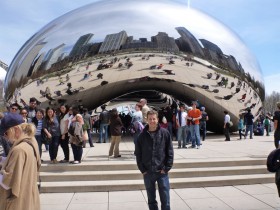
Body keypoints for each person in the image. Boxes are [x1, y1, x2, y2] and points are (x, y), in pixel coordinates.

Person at [0, 113, 41, 210]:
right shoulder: (31, 141)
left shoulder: (19, 149)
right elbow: (22, 165)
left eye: (6, 133)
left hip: (18, 203)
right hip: (28, 197)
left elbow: (8, 181)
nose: (5, 137)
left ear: (16, 129)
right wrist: (3, 160)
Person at [135, 110, 174, 210]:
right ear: (146, 120)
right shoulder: (141, 136)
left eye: (154, 119)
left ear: (157, 119)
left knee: (165, 199)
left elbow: (170, 152)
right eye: (150, 119)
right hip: (148, 172)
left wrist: (166, 168)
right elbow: (138, 154)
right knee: (151, 200)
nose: (152, 121)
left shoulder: (165, 133)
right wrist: (142, 170)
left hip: (162, 172)